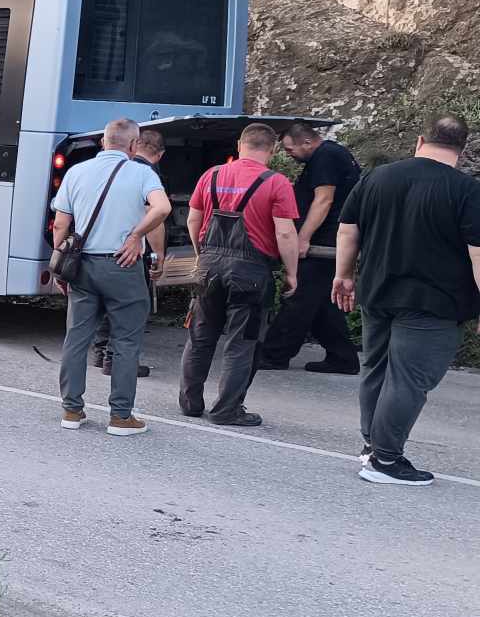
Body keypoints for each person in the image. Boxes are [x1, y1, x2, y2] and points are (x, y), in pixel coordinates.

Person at [333, 116, 480, 486]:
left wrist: (344, 275)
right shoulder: (467, 190)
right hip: (434, 303)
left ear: (420, 140)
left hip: (377, 291)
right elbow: (478, 253)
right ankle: (385, 460)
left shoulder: (377, 177)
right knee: (409, 381)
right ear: (461, 150)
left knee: (377, 370)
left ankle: (372, 445)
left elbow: (348, 230)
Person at [50, 119, 171, 436]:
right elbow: (162, 208)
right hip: (123, 265)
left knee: (76, 339)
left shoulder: (76, 172)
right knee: (126, 342)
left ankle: (72, 411)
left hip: (83, 265)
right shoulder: (142, 173)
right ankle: (120, 417)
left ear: (103, 142)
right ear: (134, 145)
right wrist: (136, 236)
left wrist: (61, 262)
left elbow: (61, 224)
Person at [178, 123, 300, 427]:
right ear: (271, 150)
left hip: (208, 267)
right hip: (250, 272)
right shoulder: (276, 182)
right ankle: (226, 411)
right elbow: (285, 233)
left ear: (239, 144)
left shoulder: (212, 175)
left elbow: (193, 219)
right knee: (241, 343)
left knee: (200, 336)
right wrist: (292, 273)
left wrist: (202, 255)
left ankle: (190, 403)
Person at [259, 123, 362, 374]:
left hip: (323, 240)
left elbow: (324, 200)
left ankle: (274, 354)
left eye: (290, 148)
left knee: (299, 297)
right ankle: (342, 357)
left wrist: (303, 238)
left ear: (307, 142)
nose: (288, 153)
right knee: (321, 302)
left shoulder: (325, 157)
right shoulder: (331, 155)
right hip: (331, 238)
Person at [92, 128, 169, 377]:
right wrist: (157, 256)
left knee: (105, 303)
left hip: (101, 249)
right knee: (131, 309)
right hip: (132, 251)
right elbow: (154, 216)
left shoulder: (111, 166)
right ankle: (116, 361)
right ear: (160, 154)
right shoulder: (146, 173)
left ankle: (101, 351)